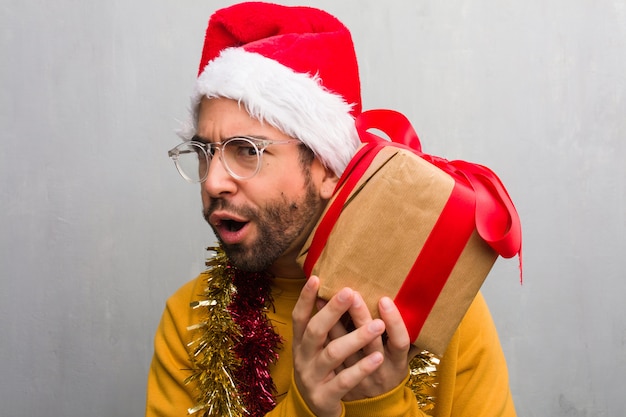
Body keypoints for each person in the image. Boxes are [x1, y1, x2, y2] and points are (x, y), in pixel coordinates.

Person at [146, 2, 517, 416]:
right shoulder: (189, 320)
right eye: (203, 152)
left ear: (326, 166)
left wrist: (380, 403)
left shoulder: (437, 303)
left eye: (247, 151)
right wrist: (305, 406)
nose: (213, 182)